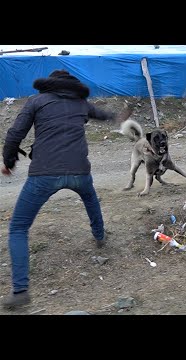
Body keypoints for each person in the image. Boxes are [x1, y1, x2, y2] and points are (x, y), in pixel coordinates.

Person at [1, 69, 123, 309]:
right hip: (80, 171)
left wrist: (8, 162)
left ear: (49, 84)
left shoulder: (36, 101)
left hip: (44, 174)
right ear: (73, 86)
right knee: (90, 198)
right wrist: (117, 117)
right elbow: (102, 114)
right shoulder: (80, 103)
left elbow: (15, 133)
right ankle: (99, 236)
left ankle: (21, 291)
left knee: (18, 228)